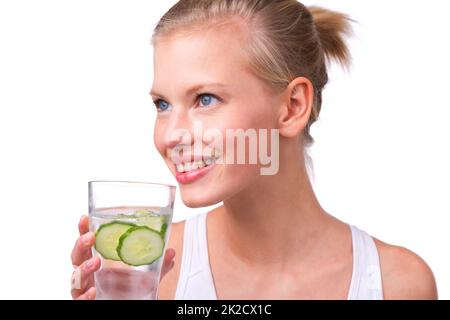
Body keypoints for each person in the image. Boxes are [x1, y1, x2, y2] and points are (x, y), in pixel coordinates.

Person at [71, 0, 438, 300]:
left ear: (293, 106)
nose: (171, 136)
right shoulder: (150, 274)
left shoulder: (397, 284)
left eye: (205, 99)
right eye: (162, 104)